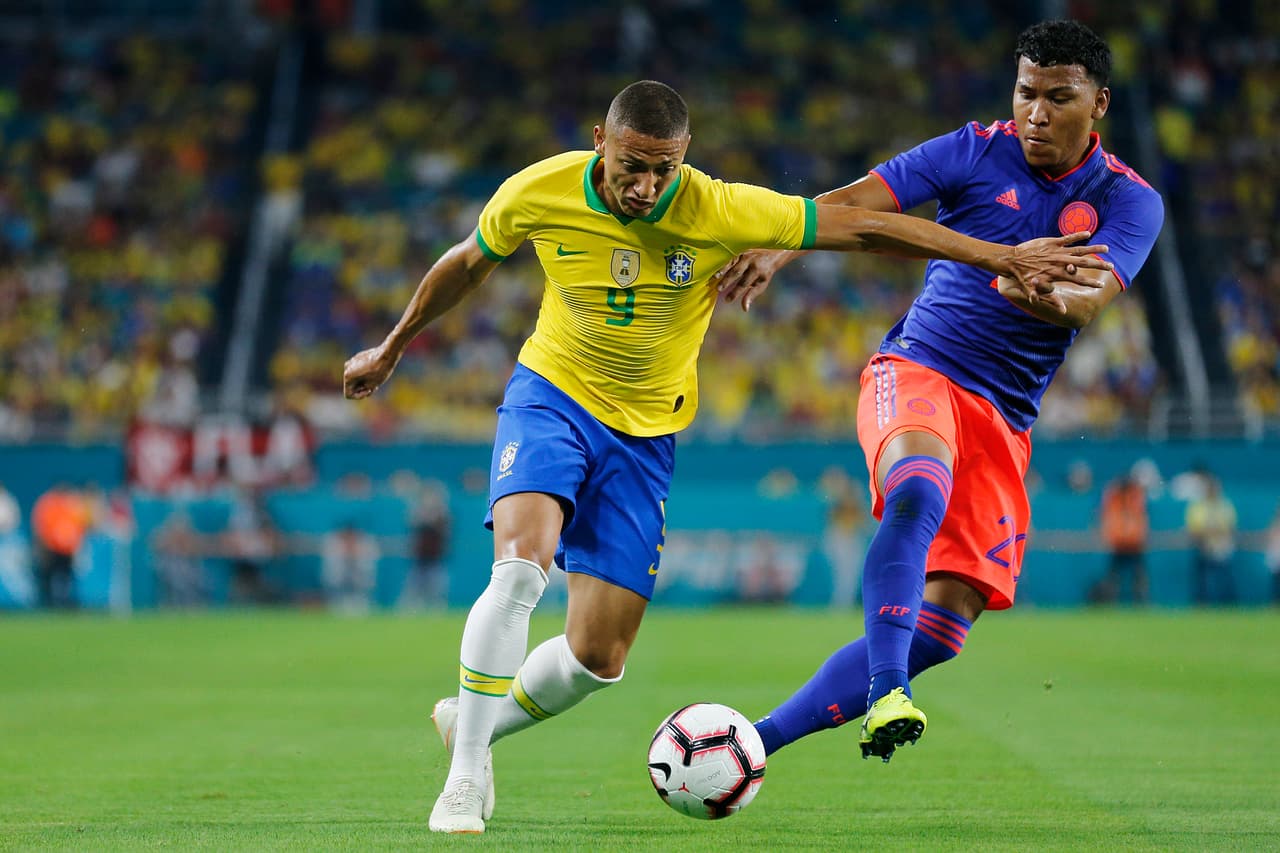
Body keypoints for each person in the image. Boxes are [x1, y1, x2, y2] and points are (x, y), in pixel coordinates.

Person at [342, 79, 1110, 833]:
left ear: (685, 158)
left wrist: (998, 257)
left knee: (596, 658)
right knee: (518, 573)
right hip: (551, 398)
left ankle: (473, 722)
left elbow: (867, 229)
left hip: (645, 436)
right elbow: (467, 263)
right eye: (631, 165)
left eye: (663, 169)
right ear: (601, 143)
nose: (646, 186)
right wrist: (392, 346)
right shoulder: (538, 190)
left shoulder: (717, 206)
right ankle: (466, 776)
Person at [714, 20, 1163, 763]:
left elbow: (1084, 302)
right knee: (918, 486)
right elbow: (859, 203)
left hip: (1005, 418)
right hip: (918, 369)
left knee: (945, 626)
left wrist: (1016, 278)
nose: (1036, 112)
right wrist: (778, 244)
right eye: (1026, 93)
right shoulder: (972, 150)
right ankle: (888, 690)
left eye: (1059, 97)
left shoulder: (1129, 200)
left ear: (1100, 104)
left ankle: (749, 746)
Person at [1088, 471, 1150, 604]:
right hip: (1118, 544)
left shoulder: (1134, 497)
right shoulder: (1114, 498)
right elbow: (1103, 514)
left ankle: (1141, 601)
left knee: (1138, 576)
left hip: (1134, 544)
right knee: (1114, 577)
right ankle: (1110, 600)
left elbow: (1141, 518)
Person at [1185, 474, 1238, 605]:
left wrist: (1216, 532)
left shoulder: (1225, 505)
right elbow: (1194, 529)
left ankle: (1228, 606)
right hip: (1204, 548)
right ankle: (1203, 605)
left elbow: (1230, 528)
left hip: (1223, 548)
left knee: (1225, 580)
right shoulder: (1198, 506)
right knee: (1204, 581)